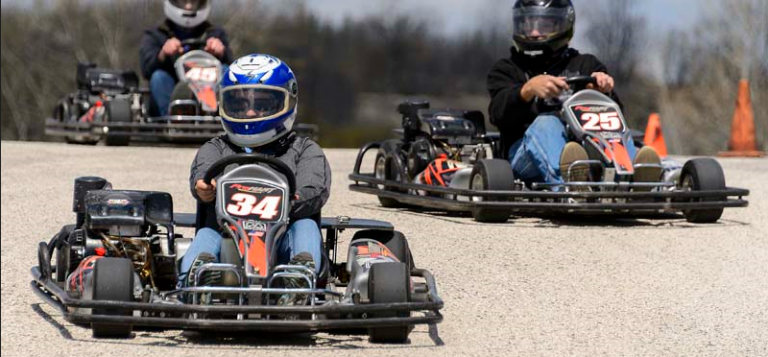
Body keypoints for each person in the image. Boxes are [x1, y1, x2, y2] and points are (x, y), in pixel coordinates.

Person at [179, 54, 331, 306]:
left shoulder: (304, 149)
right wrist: (204, 188)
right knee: (207, 233)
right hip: (227, 236)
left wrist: (288, 199)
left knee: (306, 227)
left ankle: (298, 281)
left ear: (287, 102)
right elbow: (202, 175)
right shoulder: (216, 147)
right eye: (239, 105)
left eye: (261, 105)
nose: (250, 112)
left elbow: (314, 189)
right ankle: (199, 279)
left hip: (282, 239)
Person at [487, 0, 660, 185]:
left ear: (563, 25)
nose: (535, 32)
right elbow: (498, 115)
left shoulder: (586, 65)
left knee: (612, 128)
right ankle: (567, 185)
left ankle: (637, 181)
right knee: (547, 123)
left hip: (586, 148)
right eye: (528, 25)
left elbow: (617, 118)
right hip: (524, 154)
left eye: (543, 25)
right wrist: (526, 91)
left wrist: (602, 93)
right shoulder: (507, 69)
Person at [140, 0, 234, 116]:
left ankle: (218, 118)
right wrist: (163, 54)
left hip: (207, 85)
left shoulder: (215, 33)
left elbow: (233, 67)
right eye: (183, 1)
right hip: (173, 86)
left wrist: (220, 52)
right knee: (159, 77)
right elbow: (146, 69)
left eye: (193, 2)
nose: (189, 6)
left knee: (225, 70)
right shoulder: (156, 34)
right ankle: (172, 121)